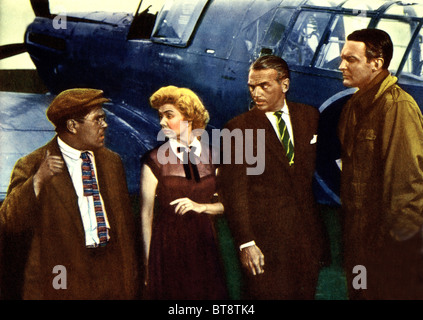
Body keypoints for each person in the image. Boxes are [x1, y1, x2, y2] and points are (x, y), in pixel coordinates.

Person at [0, 88, 139, 300]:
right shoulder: (32, 165)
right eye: (97, 119)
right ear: (72, 125)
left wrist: (129, 281)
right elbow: (9, 221)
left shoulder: (112, 162)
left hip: (110, 275)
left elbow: (123, 227)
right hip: (62, 277)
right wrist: (37, 181)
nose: (105, 125)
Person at [218, 55, 328, 299]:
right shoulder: (238, 129)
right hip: (264, 246)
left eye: (264, 86)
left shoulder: (309, 117)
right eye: (251, 87)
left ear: (284, 85)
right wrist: (246, 243)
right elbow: (235, 192)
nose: (256, 93)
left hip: (306, 242)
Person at [338, 28, 423, 299]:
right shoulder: (354, 105)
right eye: (342, 58)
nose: (341, 66)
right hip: (359, 242)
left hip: (389, 250)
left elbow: (407, 190)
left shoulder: (398, 107)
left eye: (351, 59)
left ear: (376, 63)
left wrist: (403, 257)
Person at [140, 85, 228, 300]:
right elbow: (145, 215)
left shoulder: (214, 156)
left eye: (169, 115)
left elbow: (227, 205)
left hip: (205, 246)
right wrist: (148, 264)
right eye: (160, 116)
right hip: (167, 248)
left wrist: (202, 207)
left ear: (189, 117)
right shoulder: (154, 159)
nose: (162, 122)